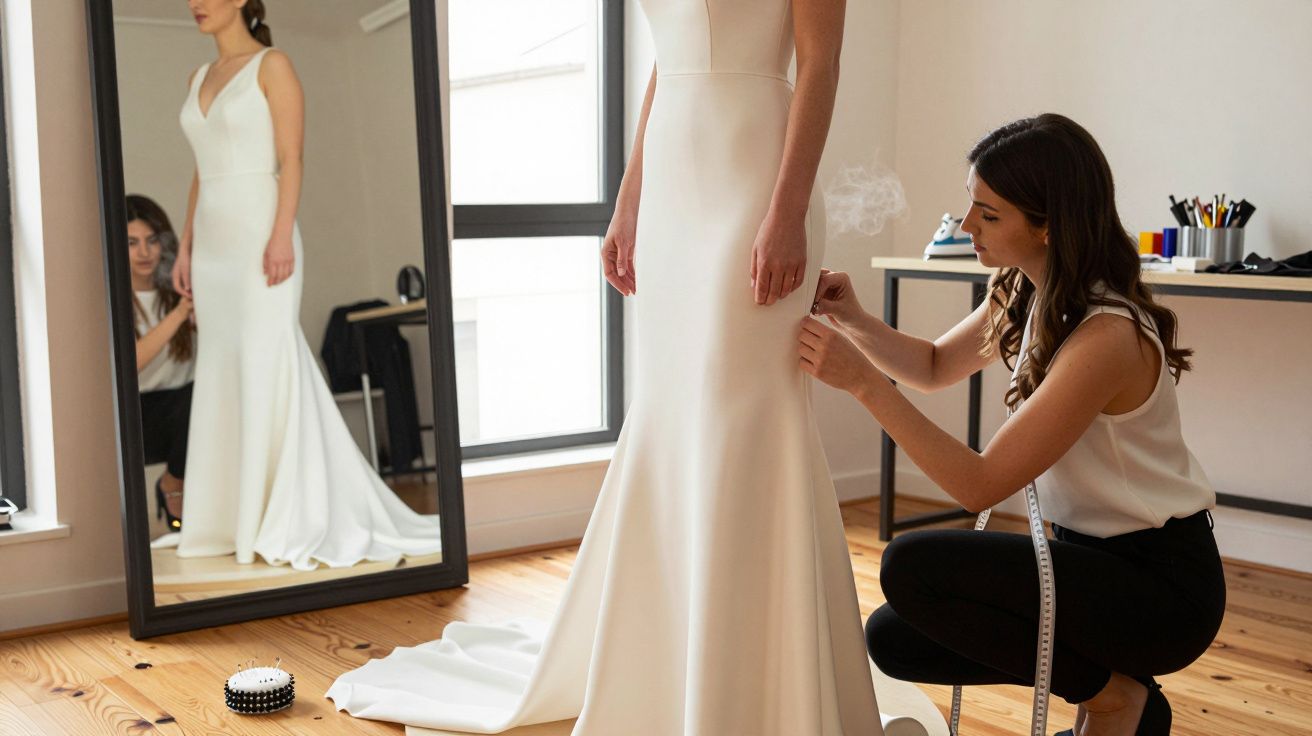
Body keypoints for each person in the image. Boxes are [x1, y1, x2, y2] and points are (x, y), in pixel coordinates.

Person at [327, 0, 932, 733]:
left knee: (745, 414)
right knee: (672, 414)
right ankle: (668, 658)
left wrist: (790, 210)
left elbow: (822, 66)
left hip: (756, 179)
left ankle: (756, 675)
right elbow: (665, 64)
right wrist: (627, 199)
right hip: (675, 181)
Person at [800, 113, 1225, 736]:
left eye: (989, 215)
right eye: (970, 206)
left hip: (1160, 586)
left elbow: (980, 485)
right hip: (1085, 557)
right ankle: (1129, 695)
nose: (967, 226)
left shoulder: (1108, 335)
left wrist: (863, 383)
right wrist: (855, 320)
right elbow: (936, 364)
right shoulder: (1022, 289)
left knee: (910, 565)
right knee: (896, 638)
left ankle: (1115, 699)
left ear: (1048, 224)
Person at [173, 0, 442, 570]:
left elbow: (292, 159)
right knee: (222, 366)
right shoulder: (196, 76)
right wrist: (187, 245)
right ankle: (226, 519)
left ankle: (283, 516)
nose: (194, 3)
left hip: (259, 232)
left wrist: (278, 237)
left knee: (269, 361)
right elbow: (202, 169)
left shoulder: (274, 65)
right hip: (213, 244)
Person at [126, 194, 195, 534]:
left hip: (184, 408)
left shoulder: (178, 288)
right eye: (132, 243)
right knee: (191, 400)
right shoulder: (111, 299)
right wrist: (181, 314)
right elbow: (130, 363)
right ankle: (172, 487)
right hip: (139, 418)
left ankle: (173, 481)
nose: (144, 252)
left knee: (202, 393)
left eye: (152, 241)